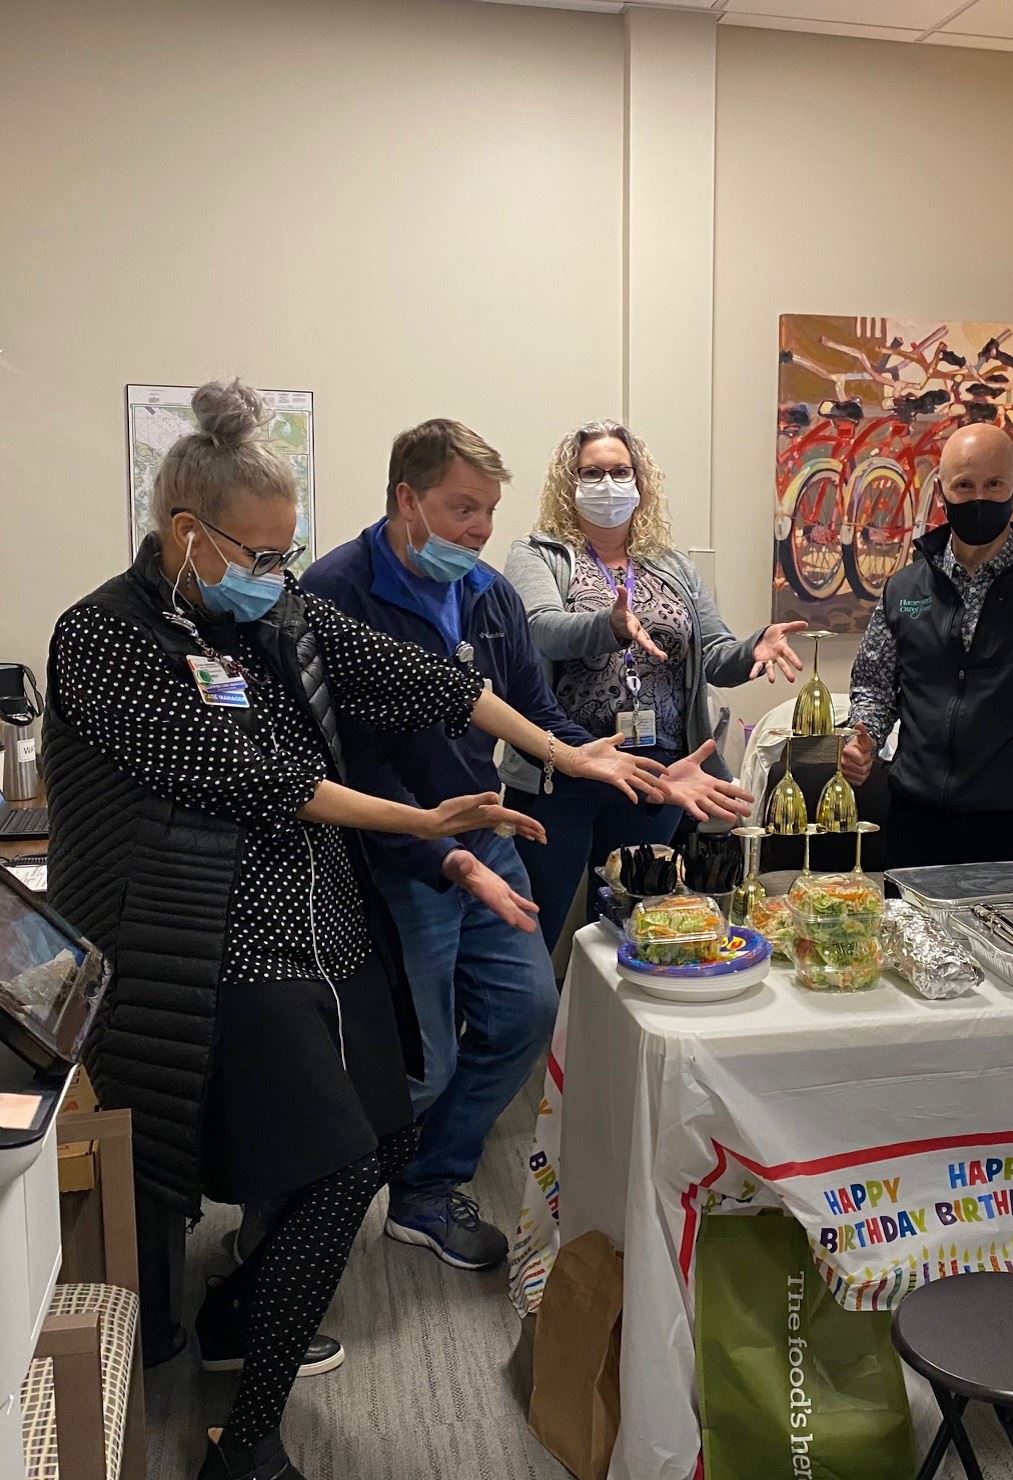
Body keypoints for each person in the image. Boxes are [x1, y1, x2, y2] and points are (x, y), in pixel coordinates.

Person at [42, 382, 662, 1480]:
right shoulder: (104, 637)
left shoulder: (268, 608)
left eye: (287, 552)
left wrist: (570, 756)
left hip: (317, 922)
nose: (281, 573)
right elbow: (261, 779)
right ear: (187, 533)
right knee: (330, 1164)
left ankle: (243, 1309)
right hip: (202, 943)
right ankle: (254, 1437)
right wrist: (427, 824)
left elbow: (426, 679)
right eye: (261, 551)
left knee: (380, 1139)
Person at [301, 418, 743, 1269]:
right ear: (406, 498)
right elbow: (351, 759)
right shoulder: (336, 591)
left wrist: (640, 772)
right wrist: (443, 853)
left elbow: (533, 708)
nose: (477, 529)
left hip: (489, 829)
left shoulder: (481, 590)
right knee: (421, 1063)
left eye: (487, 510)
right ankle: (301, 1216)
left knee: (523, 1014)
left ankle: (427, 1188)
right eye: (460, 508)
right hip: (402, 855)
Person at [502, 418, 806, 950]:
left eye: (620, 471)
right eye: (591, 473)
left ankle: (620, 1033)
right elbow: (538, 631)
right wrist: (608, 625)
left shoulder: (671, 565)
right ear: (568, 484)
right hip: (565, 767)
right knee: (533, 929)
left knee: (638, 929)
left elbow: (713, 654)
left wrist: (752, 647)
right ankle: (537, 1031)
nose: (608, 484)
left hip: (660, 773)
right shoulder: (539, 554)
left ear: (641, 482)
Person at [841, 422, 1013, 868]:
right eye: (964, 485)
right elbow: (875, 687)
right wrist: (864, 740)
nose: (979, 498)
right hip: (914, 826)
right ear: (942, 492)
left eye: (994, 484)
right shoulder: (904, 588)